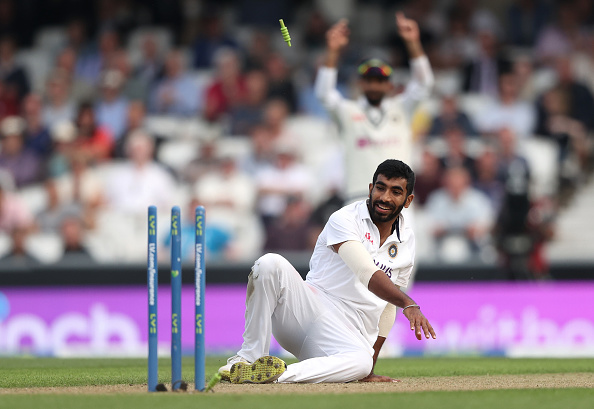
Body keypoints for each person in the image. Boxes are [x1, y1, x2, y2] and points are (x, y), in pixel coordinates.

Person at [219, 160, 435, 384]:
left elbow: (388, 307)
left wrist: (370, 368)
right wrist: (409, 303)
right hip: (307, 311)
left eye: (396, 192)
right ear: (371, 189)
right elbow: (365, 271)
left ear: (408, 200)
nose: (385, 197)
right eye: (381, 188)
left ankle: (273, 375)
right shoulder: (344, 218)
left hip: (345, 335)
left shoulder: (406, 240)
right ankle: (248, 358)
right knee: (269, 264)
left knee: (362, 362)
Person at [315, 13, 434, 203]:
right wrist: (333, 51)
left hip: (398, 200)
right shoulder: (348, 111)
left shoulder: (402, 108)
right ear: (360, 83)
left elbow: (424, 84)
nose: (374, 86)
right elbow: (324, 94)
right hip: (358, 198)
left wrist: (413, 43)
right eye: (369, 80)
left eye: (380, 81)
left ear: (389, 85)